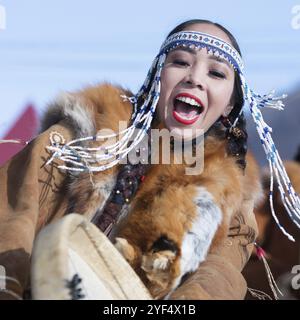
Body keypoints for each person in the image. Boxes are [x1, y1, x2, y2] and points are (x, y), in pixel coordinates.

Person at [0, 18, 298, 300]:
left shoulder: (232, 203)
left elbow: (218, 277)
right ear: (158, 76)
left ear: (229, 104)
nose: (194, 78)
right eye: (180, 62)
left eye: (216, 73)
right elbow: (12, 220)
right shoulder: (78, 135)